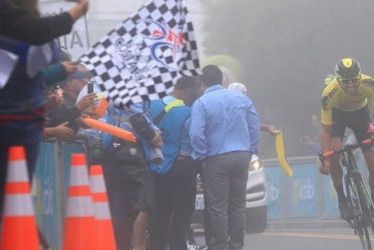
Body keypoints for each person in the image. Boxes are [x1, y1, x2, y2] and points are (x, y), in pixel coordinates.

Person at [0, 0, 88, 248]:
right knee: (10, 194)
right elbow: (39, 49)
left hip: (1, 121)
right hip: (21, 124)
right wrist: (76, 11)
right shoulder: (36, 37)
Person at [189, 65, 260, 249]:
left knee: (218, 206)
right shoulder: (241, 98)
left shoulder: (201, 103)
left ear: (202, 83)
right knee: (238, 204)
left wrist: (201, 155)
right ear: (222, 80)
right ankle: (237, 244)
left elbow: (196, 133)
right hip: (242, 155)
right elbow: (254, 125)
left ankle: (220, 245)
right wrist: (251, 149)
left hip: (216, 158)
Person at [320, 58, 374, 229]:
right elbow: (325, 130)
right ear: (338, 81)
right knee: (334, 152)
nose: (350, 87)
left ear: (359, 76)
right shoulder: (329, 93)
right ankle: (342, 197)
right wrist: (326, 158)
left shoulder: (369, 84)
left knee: (373, 165)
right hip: (338, 116)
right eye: (345, 83)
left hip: (361, 116)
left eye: (353, 81)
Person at [147, 76, 200, 250]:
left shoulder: (154, 105)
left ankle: (155, 246)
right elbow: (196, 139)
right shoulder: (188, 111)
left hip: (158, 165)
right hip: (182, 166)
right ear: (187, 89)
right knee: (182, 213)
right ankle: (178, 246)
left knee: (160, 211)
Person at [102, 103, 162, 250]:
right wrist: (152, 134)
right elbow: (137, 118)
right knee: (141, 204)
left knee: (122, 206)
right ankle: (137, 246)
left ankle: (125, 245)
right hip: (130, 152)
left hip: (115, 149)